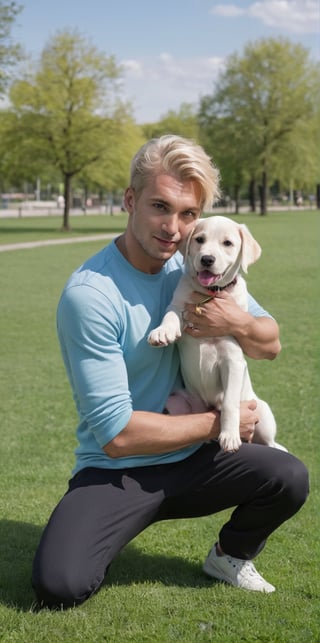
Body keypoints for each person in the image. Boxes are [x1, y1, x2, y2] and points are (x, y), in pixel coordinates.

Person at [32, 135, 308, 609]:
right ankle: (109, 522)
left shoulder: (199, 272)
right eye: (161, 206)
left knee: (288, 475)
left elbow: (270, 344)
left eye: (187, 215)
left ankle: (230, 555)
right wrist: (218, 425)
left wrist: (235, 321)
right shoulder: (91, 294)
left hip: (193, 462)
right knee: (60, 584)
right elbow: (117, 436)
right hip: (117, 470)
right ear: (130, 200)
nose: (175, 228)